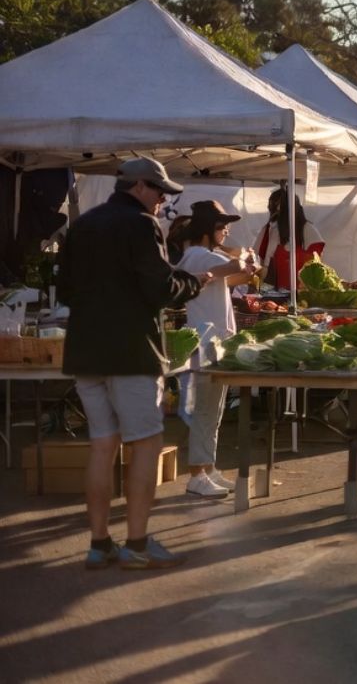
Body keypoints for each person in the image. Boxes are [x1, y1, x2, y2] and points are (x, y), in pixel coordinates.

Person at [59, 157, 242, 569]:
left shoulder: (84, 224)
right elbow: (164, 289)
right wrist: (200, 280)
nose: (163, 201)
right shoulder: (141, 225)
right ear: (139, 186)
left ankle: (99, 541)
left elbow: (66, 290)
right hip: (130, 351)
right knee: (146, 444)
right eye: (160, 192)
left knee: (102, 444)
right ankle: (137, 543)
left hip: (86, 350)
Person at [174, 200, 253, 499]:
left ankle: (207, 467)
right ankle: (196, 473)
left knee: (212, 410)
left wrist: (244, 264)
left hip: (214, 344)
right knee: (204, 410)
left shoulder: (204, 256)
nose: (226, 231)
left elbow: (234, 276)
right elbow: (235, 267)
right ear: (208, 229)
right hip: (205, 343)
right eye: (221, 226)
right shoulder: (198, 256)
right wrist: (243, 256)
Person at [254, 187, 325, 290]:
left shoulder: (306, 229)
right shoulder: (268, 229)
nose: (276, 211)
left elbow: (316, 262)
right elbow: (260, 260)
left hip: (300, 288)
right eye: (273, 207)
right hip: (271, 287)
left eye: (279, 207)